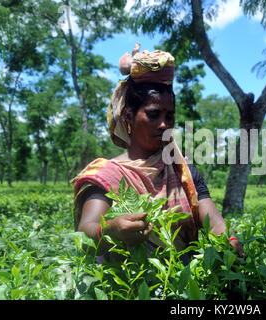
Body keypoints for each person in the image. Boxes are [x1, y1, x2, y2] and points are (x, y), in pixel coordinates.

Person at [71, 43, 244, 263]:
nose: (163, 125)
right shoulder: (106, 175)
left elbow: (216, 223)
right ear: (128, 116)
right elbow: (86, 228)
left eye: (169, 116)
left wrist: (229, 240)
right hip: (125, 290)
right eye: (153, 115)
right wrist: (111, 231)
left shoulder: (184, 173)